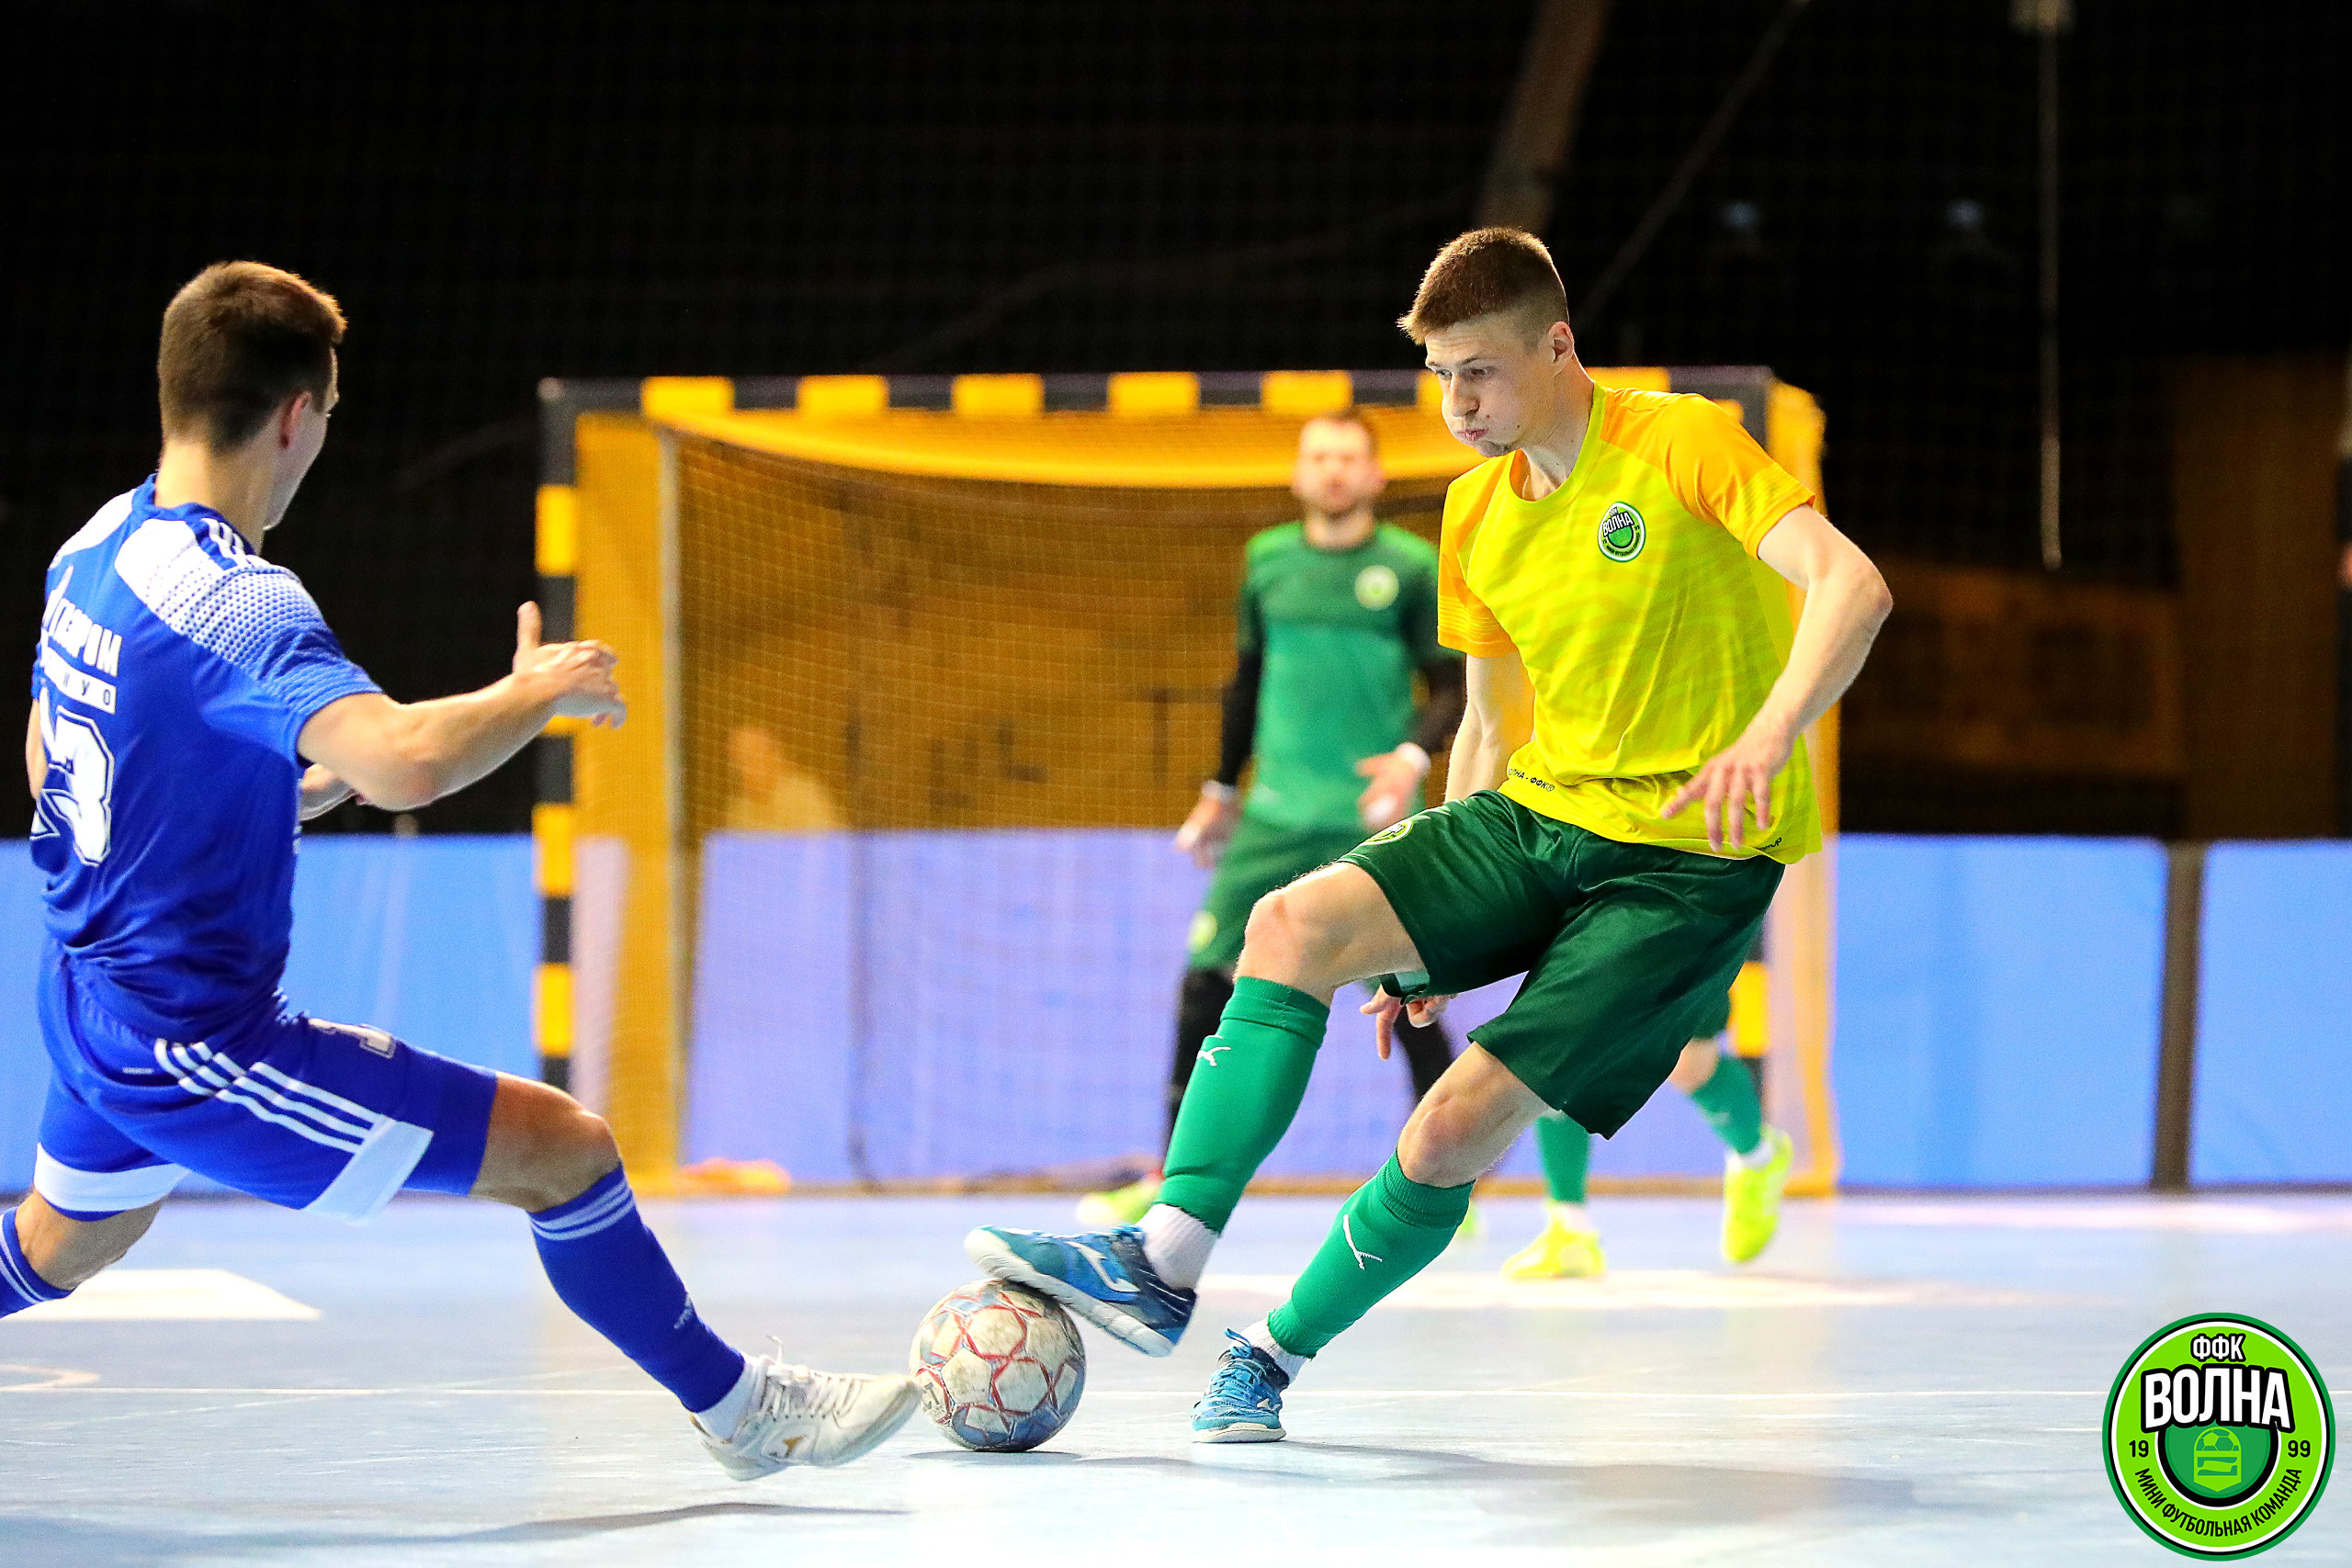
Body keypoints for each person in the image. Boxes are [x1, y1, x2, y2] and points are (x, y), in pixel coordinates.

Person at [964, 227, 1889, 1442]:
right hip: (1539, 812)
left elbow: (1851, 585)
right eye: (1441, 374)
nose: (1456, 402)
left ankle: (1271, 1348)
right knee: (1291, 919)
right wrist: (1430, 930)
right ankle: (1163, 1256)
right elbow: (1494, 724)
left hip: (1690, 863)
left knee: (1451, 1123)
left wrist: (1771, 733)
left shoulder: (1684, 442)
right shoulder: (1473, 513)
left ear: (1558, 345)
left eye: (1481, 372)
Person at [5, 263, 916, 1476]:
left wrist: (242, 808)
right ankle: (744, 1407)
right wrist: (528, 696)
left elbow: (56, 753)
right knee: (568, 1150)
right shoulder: (238, 598)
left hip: (85, 996)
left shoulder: (95, 547)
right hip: (197, 1039)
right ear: (296, 416)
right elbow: (404, 765)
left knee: (63, 1245)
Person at [1076, 412, 1467, 1229]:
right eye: (1318, 456)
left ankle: (1444, 1178)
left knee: (1409, 990)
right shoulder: (1267, 563)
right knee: (1204, 979)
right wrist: (1221, 789)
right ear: (1298, 473)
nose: (1332, 470)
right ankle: (1172, 1172)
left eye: (1348, 458)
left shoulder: (1409, 567)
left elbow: (1455, 684)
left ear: (1373, 474)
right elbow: (1245, 682)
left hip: (1372, 816)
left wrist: (1412, 757)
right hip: (1275, 815)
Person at [1502, 980, 1789, 1280]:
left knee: (1689, 1065)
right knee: (1558, 1039)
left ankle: (1759, 1157)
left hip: (1677, 936)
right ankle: (1569, 1225)